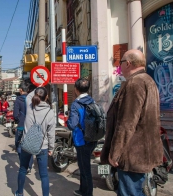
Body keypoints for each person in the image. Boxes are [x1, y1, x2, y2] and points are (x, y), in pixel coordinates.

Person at [100, 49, 163, 196]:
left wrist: (115, 153)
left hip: (132, 154)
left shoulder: (135, 83)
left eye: (121, 62)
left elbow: (127, 123)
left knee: (129, 192)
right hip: (141, 152)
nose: (119, 66)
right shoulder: (148, 80)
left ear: (128, 63)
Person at [15, 87, 55, 196]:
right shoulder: (50, 112)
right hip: (43, 146)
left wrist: (37, 87)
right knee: (44, 175)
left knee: (23, 169)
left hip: (27, 144)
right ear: (46, 97)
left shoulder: (29, 107)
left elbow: (28, 96)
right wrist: (51, 148)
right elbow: (51, 134)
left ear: (35, 95)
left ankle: (19, 193)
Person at [66, 78, 97, 196]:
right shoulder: (92, 101)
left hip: (81, 140)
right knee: (84, 165)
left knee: (84, 168)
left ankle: (88, 193)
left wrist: (68, 122)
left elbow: (73, 124)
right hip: (92, 138)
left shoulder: (76, 104)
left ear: (76, 89)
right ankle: (83, 190)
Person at [13, 81, 33, 174]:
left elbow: (15, 115)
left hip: (21, 126)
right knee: (29, 146)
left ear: (21, 90)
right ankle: (29, 166)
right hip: (30, 126)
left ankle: (24, 164)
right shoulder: (32, 99)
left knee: (19, 145)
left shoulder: (18, 100)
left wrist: (18, 119)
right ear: (28, 90)